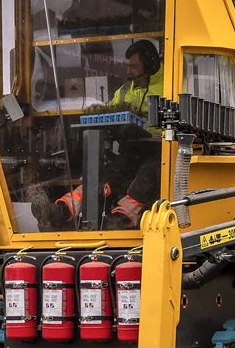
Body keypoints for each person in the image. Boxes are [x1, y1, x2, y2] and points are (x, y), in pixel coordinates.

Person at [56, 39, 163, 228]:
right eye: (128, 66)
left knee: (147, 174)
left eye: (134, 67)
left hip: (159, 151)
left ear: (151, 64)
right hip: (130, 151)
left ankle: (122, 218)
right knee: (108, 174)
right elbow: (110, 115)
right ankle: (62, 210)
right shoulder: (123, 91)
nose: (129, 72)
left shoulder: (170, 84)